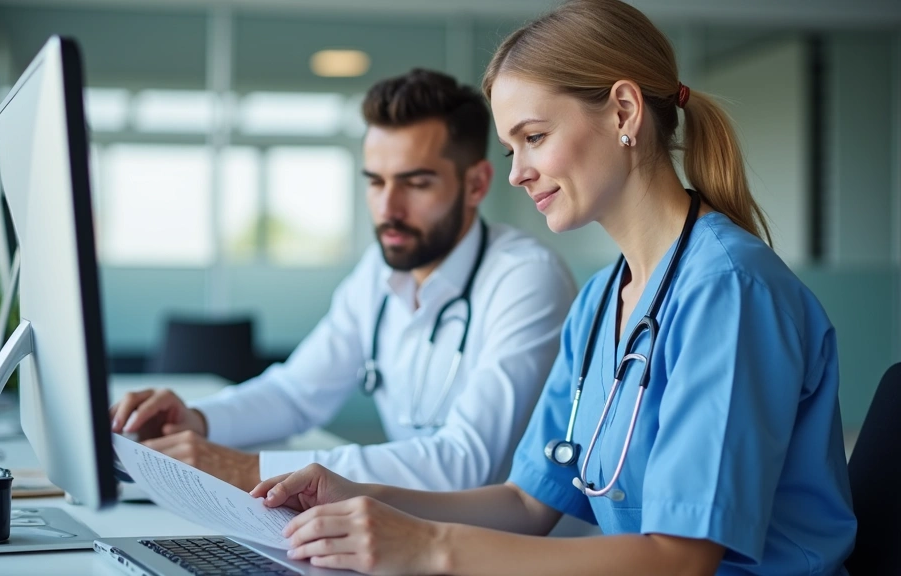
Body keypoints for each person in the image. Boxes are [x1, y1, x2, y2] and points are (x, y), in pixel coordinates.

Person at [249, 1, 857, 574]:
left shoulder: (728, 290)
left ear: (623, 111)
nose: (516, 173)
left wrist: (431, 546)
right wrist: (361, 495)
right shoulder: (599, 301)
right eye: (511, 147)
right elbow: (527, 503)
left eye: (533, 137)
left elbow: (680, 559)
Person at [110, 69, 577, 493]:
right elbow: (295, 393)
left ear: (476, 184)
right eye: (375, 181)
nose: (387, 209)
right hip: (415, 537)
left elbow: (465, 463)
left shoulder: (525, 279)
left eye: (415, 183)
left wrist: (246, 468)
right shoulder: (379, 272)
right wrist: (197, 421)